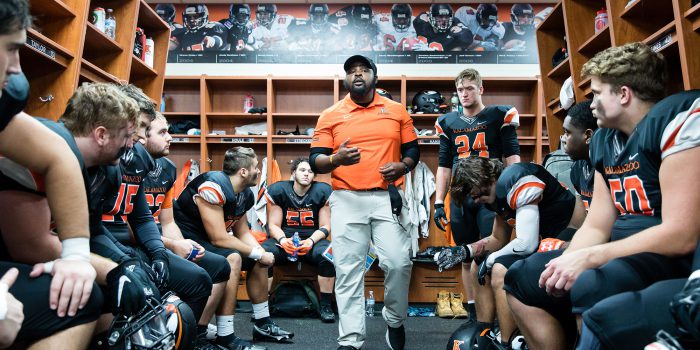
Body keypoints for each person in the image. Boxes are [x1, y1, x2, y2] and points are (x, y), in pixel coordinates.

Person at [504, 42, 699, 349]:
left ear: (623, 94)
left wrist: (592, 257)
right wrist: (568, 261)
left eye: (596, 93)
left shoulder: (672, 123)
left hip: (667, 258)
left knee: (589, 283)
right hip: (620, 252)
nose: (590, 103)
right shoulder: (604, 140)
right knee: (522, 277)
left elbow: (681, 235)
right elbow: (596, 225)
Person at [309, 55, 419, 350]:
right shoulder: (330, 114)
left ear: (375, 77)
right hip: (346, 199)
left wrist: (403, 167)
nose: (357, 74)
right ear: (345, 80)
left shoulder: (397, 111)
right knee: (347, 270)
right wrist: (336, 159)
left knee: (398, 262)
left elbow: (413, 151)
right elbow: (315, 160)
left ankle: (394, 319)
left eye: (363, 70)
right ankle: (351, 340)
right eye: (351, 71)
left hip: (387, 197)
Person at [435, 156, 586, 349]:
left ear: (485, 178)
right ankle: (484, 332)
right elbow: (498, 239)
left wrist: (491, 261)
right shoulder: (495, 193)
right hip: (545, 241)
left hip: (571, 237)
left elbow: (526, 244)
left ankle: (508, 342)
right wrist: (465, 251)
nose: (476, 200)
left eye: (477, 194)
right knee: (477, 264)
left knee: (499, 269)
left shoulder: (514, 178)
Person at [142, 113, 249, 349]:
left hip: (160, 238)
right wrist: (173, 246)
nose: (170, 137)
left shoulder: (167, 169)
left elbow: (167, 221)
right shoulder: (128, 167)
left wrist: (184, 248)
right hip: (139, 243)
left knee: (218, 267)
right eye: (162, 133)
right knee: (199, 277)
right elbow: (131, 224)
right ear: (141, 135)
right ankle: (182, 334)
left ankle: (196, 334)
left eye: (169, 131)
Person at [174, 147, 294, 347]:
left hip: (210, 241)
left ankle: (262, 323)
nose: (258, 171)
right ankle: (225, 334)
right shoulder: (213, 185)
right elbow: (219, 239)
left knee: (261, 258)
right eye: (255, 167)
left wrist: (261, 253)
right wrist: (256, 252)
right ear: (244, 172)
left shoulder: (245, 193)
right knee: (233, 258)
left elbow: (243, 233)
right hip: (188, 241)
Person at [433, 68, 521, 321]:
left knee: (490, 252)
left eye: (470, 88)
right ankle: (474, 311)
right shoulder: (447, 122)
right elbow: (444, 164)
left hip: (490, 195)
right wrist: (439, 202)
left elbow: (512, 156)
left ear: (480, 89)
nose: (464, 94)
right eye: (460, 89)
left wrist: (511, 192)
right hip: (461, 196)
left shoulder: (498, 115)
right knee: (464, 254)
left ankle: (495, 311)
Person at [260, 157, 335, 323]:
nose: (306, 174)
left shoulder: (321, 191)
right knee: (263, 253)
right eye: (302, 170)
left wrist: (310, 242)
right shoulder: (279, 190)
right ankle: (262, 306)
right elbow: (273, 225)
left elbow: (325, 226)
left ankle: (325, 305)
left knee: (328, 255)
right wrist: (283, 240)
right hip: (284, 239)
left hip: (311, 240)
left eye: (310, 171)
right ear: (293, 173)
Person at [561, 100, 597, 210]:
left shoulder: (607, 165)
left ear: (588, 136)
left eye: (567, 133)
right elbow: (581, 217)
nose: (563, 138)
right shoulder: (577, 169)